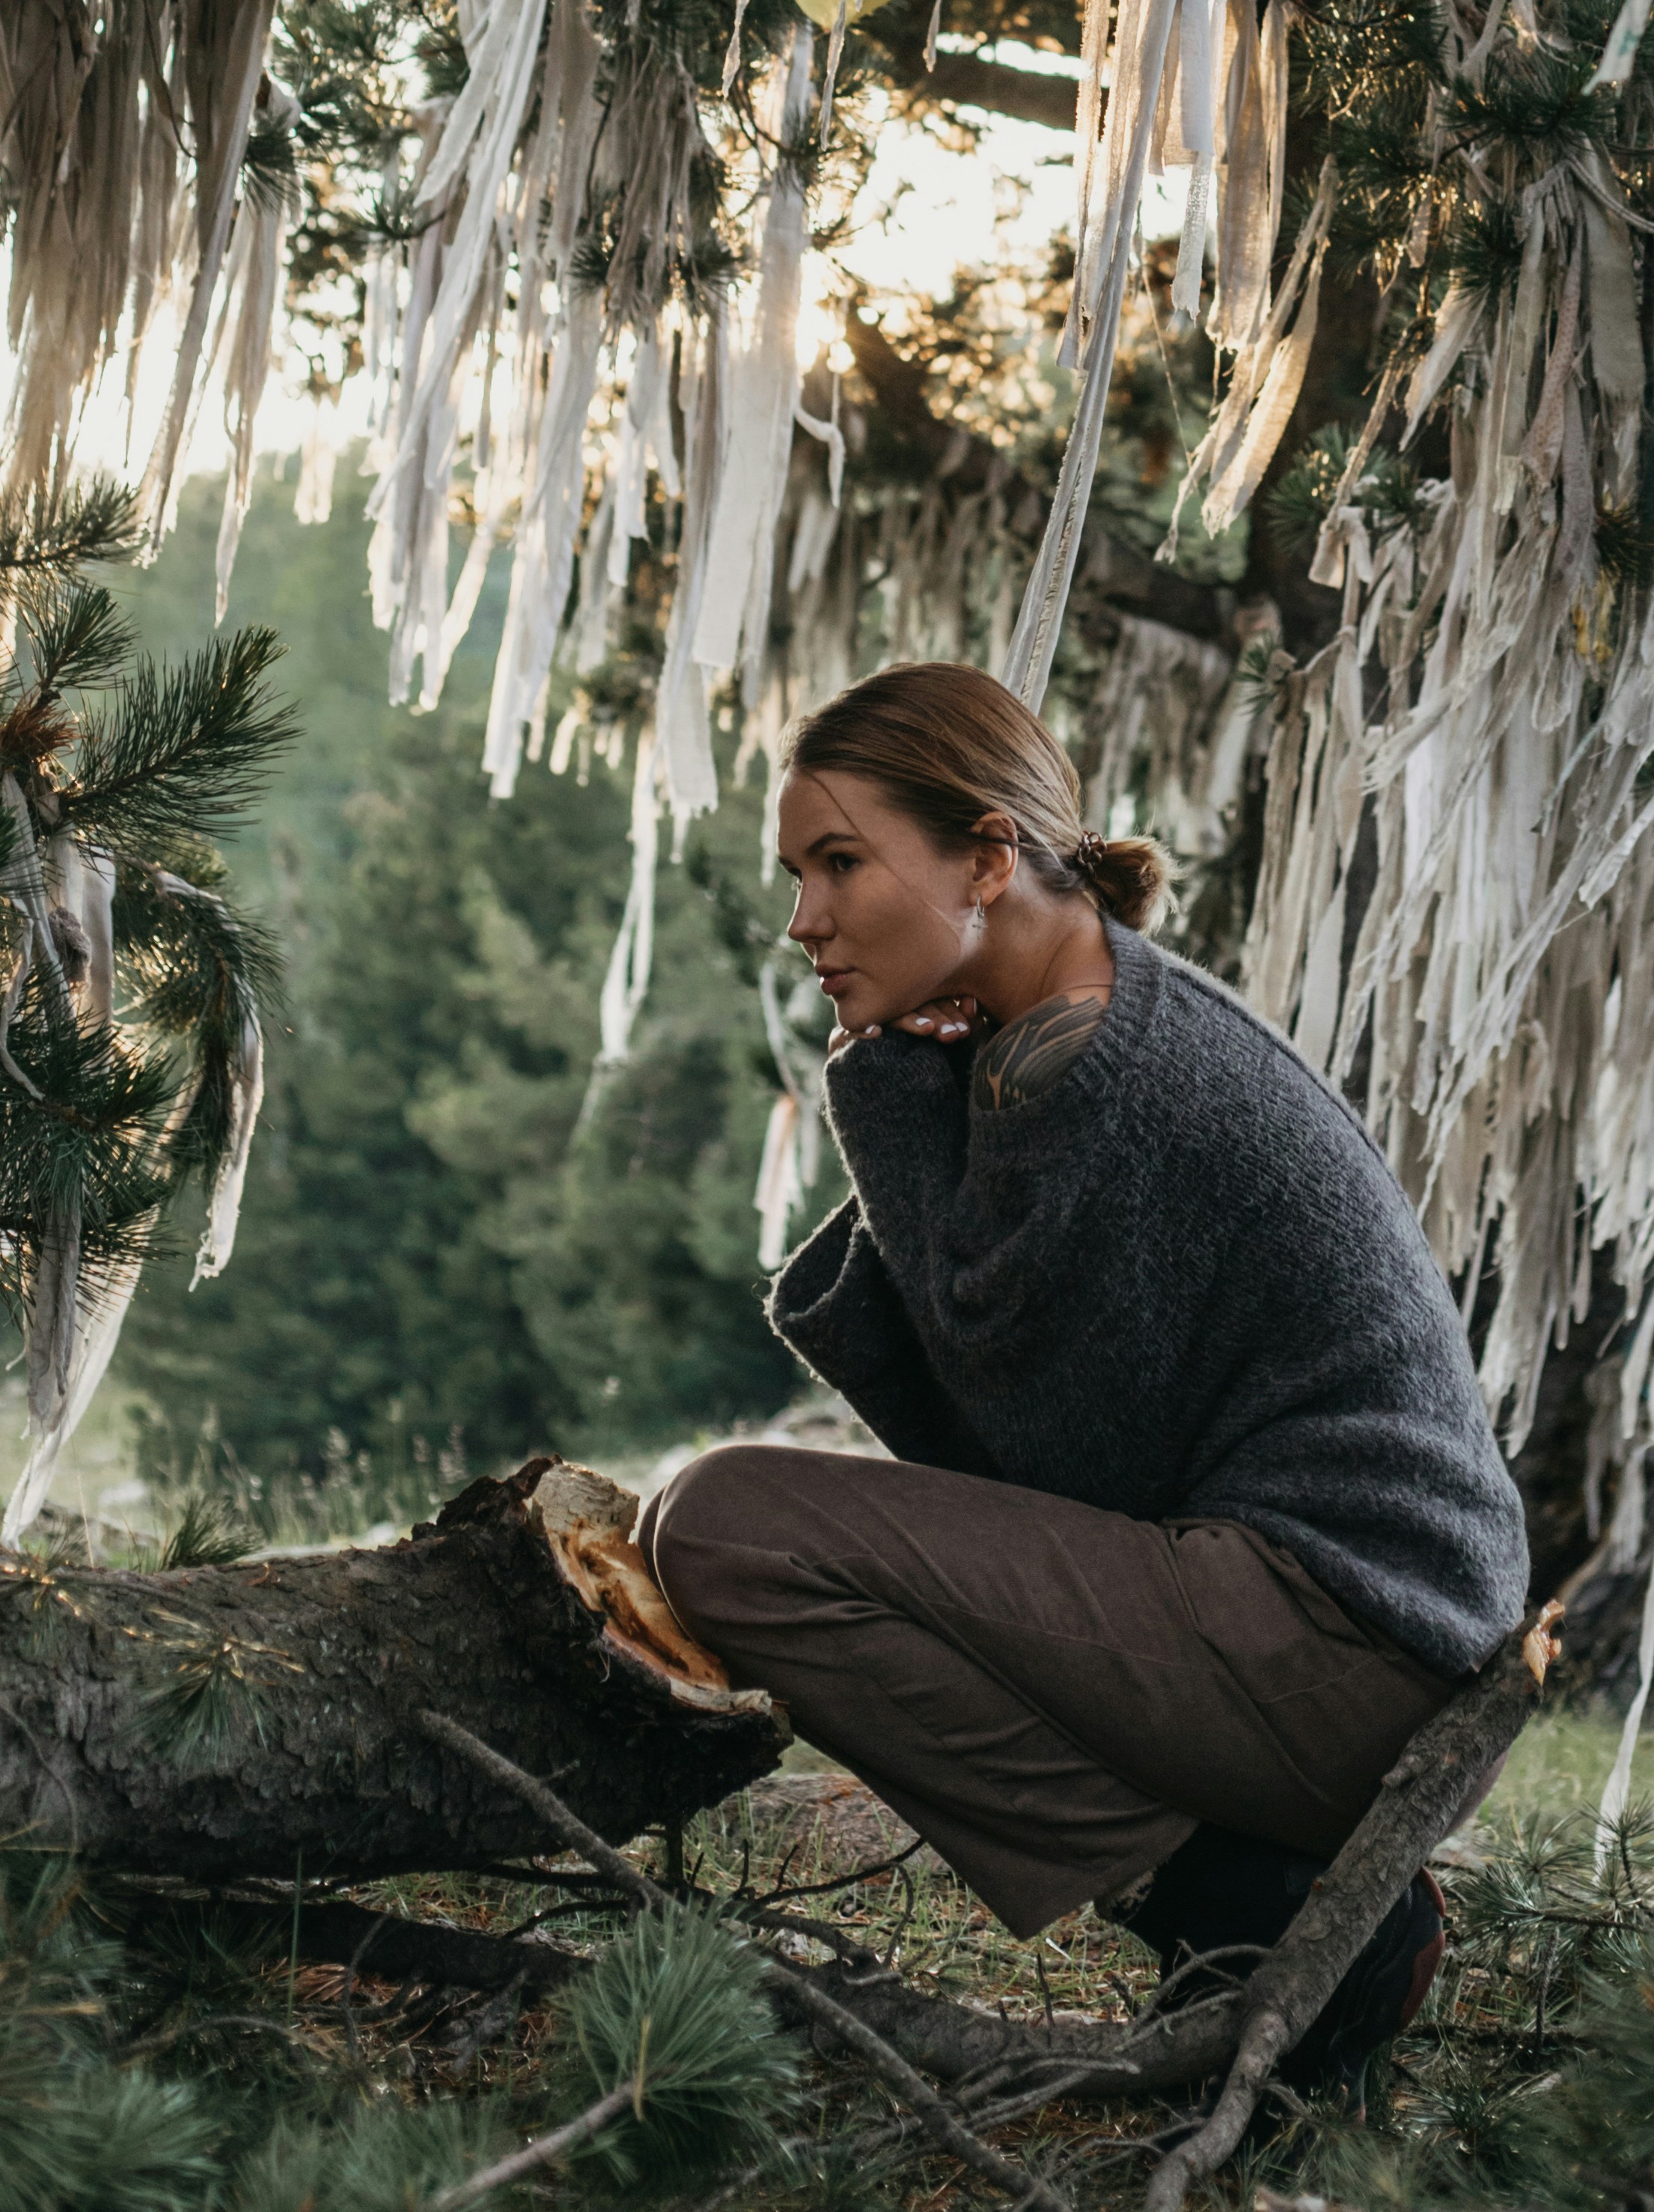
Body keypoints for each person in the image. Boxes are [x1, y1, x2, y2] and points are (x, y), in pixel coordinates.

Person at [639, 659, 1531, 2095]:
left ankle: (1250, 1910)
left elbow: (1036, 1468)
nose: (803, 916)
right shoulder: (1065, 1029)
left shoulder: (1107, 1076)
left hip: (1354, 1645)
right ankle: (1252, 1899)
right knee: (741, 1529)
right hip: (1339, 1634)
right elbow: (1005, 1446)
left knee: (729, 1527)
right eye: (798, 870)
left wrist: (877, 1084)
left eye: (841, 863)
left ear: (988, 856)